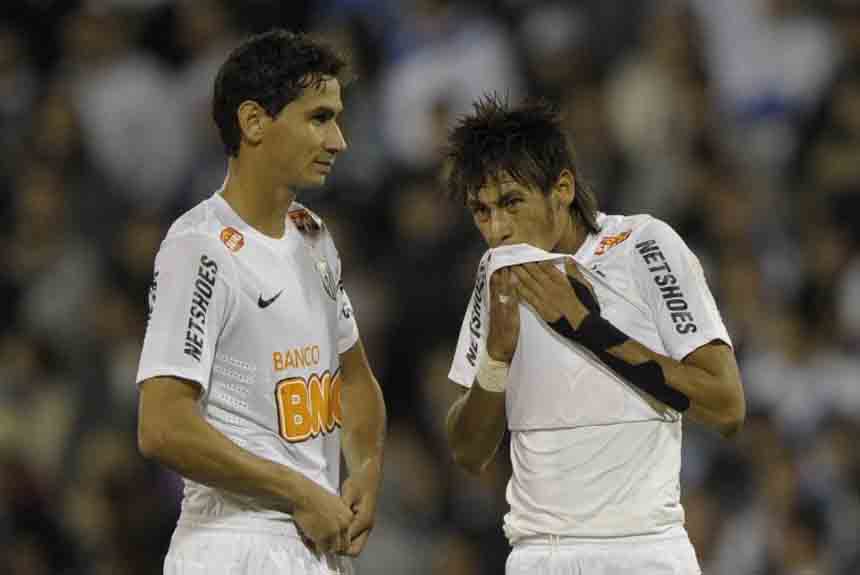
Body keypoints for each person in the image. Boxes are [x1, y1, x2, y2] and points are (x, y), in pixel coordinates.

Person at [444, 95, 745, 574]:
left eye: (511, 202)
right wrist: (496, 362)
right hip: (537, 555)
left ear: (561, 188)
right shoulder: (495, 275)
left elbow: (726, 406)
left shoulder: (645, 247)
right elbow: (467, 450)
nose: (496, 229)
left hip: (640, 550)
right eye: (481, 211)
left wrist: (586, 329)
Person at [136, 29, 386, 575]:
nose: (339, 139)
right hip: (234, 542)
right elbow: (161, 426)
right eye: (319, 118)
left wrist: (364, 469)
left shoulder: (312, 235)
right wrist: (295, 490)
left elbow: (355, 378)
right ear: (253, 122)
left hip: (313, 537)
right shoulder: (198, 247)